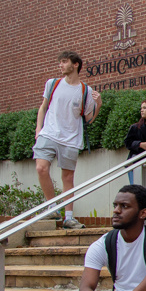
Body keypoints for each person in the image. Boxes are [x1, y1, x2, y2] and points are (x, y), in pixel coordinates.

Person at [34, 51, 102, 229]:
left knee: (68, 177)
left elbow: (88, 119)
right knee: (41, 168)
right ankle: (52, 207)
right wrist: (38, 129)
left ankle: (69, 218)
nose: (61, 65)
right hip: (48, 133)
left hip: (70, 139)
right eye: (60, 62)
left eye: (64, 62)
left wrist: (98, 105)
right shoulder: (53, 83)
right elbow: (43, 107)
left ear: (76, 65)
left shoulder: (85, 90)